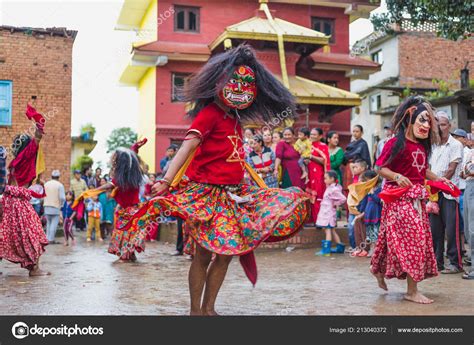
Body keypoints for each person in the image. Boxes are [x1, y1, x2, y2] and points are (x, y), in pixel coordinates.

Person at [122, 45, 309, 315]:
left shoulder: (235, 118)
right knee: (203, 255)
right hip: (206, 195)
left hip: (233, 196)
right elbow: (186, 147)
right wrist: (166, 180)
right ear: (219, 82)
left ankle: (209, 308)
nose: (241, 88)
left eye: (247, 83)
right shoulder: (208, 113)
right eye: (235, 82)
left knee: (226, 255)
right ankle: (195, 311)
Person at [371, 96, 451, 304]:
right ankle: (412, 291)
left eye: (429, 122)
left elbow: (422, 170)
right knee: (413, 241)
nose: (426, 125)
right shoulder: (394, 143)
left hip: (417, 200)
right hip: (397, 200)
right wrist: (396, 176)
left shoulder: (423, 147)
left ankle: (379, 270)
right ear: (410, 118)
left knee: (396, 241)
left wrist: (439, 179)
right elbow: (380, 168)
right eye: (422, 120)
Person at [0, 105, 49, 276]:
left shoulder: (14, 162)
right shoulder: (27, 157)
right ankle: (34, 268)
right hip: (19, 203)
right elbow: (38, 137)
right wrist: (38, 120)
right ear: (27, 148)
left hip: (8, 202)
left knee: (7, 234)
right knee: (33, 234)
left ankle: (32, 267)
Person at [429, 111, 464, 274]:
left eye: (443, 124)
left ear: (449, 126)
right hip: (434, 193)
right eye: (437, 125)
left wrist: (437, 182)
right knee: (435, 230)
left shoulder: (455, 144)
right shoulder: (433, 145)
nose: (440, 127)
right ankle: (438, 262)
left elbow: (451, 169)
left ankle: (455, 263)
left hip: (449, 193)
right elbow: (427, 168)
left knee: (451, 230)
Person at [315, 171, 347, 256]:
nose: (324, 180)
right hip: (327, 212)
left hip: (328, 213)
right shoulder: (331, 187)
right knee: (332, 230)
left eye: (326, 178)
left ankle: (326, 251)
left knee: (328, 230)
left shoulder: (334, 189)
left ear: (332, 179)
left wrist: (335, 204)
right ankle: (340, 248)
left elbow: (343, 198)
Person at [353, 170, 382, 257]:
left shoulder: (379, 190)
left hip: (376, 216)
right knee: (370, 236)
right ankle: (372, 250)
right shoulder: (368, 190)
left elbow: (379, 201)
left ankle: (377, 252)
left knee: (376, 235)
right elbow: (365, 203)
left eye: (367, 181)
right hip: (368, 216)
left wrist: (372, 193)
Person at [306, 128, 330, 224]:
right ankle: (310, 220)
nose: (312, 136)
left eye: (314, 134)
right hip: (309, 174)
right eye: (311, 134)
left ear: (320, 136)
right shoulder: (307, 145)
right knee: (309, 197)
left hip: (318, 175)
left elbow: (324, 160)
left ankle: (318, 221)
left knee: (318, 197)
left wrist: (311, 157)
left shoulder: (323, 146)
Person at [461, 145, 474, 279]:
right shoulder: (470, 151)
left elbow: (469, 169)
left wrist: (469, 168)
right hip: (469, 186)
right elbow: (464, 172)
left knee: (473, 229)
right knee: (468, 230)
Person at [43, 170, 66, 244]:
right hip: (55, 206)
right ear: (58, 177)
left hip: (46, 205)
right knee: (54, 224)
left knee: (48, 223)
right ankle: (51, 239)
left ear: (51, 176)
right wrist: (61, 205)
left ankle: (47, 238)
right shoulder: (60, 185)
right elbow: (62, 197)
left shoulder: (46, 184)